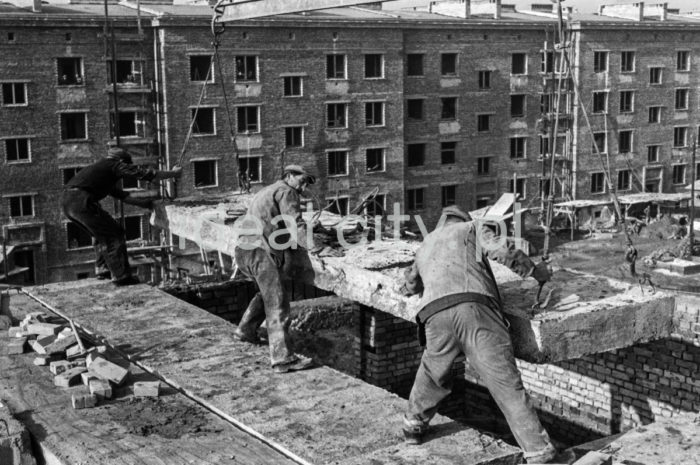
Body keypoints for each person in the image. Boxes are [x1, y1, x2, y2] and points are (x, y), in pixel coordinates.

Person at [400, 205, 559, 464]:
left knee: (432, 372)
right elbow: (501, 250)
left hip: (434, 314)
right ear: (463, 219)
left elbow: (411, 283)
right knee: (505, 385)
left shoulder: (425, 244)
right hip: (475, 310)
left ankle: (412, 427)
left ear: (441, 223)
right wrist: (534, 271)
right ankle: (539, 452)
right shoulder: (472, 228)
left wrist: (410, 287)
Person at [233, 165, 317, 373]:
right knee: (277, 302)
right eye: (302, 180)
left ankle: (246, 329)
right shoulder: (287, 192)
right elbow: (295, 225)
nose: (304, 186)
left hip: (245, 250)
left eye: (307, 182)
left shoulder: (269, 190)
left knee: (268, 293)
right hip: (261, 252)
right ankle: (282, 359)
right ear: (289, 176)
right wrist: (318, 247)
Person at [63, 147, 182, 286]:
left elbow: (124, 196)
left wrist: (147, 205)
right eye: (126, 166)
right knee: (114, 233)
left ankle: (103, 269)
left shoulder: (101, 173)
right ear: (122, 162)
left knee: (100, 234)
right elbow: (146, 174)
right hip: (81, 201)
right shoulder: (114, 164)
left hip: (68, 202)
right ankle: (121, 277)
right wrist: (173, 174)